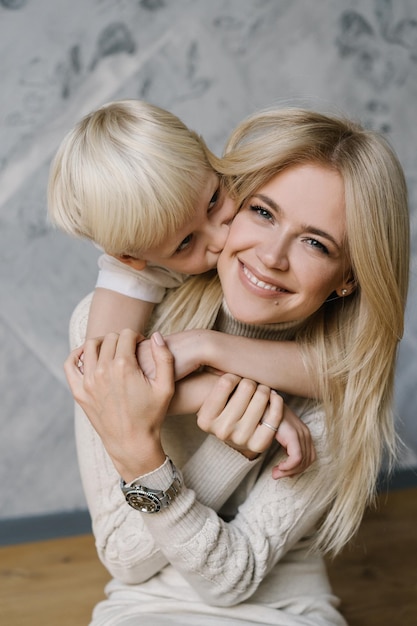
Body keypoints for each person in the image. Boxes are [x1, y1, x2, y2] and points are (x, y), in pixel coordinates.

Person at [65, 107, 409, 625]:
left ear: (348, 277)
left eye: (316, 242)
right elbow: (126, 559)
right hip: (145, 602)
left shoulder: (345, 390)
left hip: (283, 606)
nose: (272, 256)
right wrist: (239, 416)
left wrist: (213, 357)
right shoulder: (114, 323)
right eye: (264, 213)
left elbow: (233, 580)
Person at [49, 98, 318, 475]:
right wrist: (220, 391)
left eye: (213, 201)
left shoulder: (263, 195)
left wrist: (209, 348)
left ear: (205, 152)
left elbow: (345, 374)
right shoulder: (129, 272)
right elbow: (111, 389)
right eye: (185, 244)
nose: (221, 235)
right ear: (131, 258)